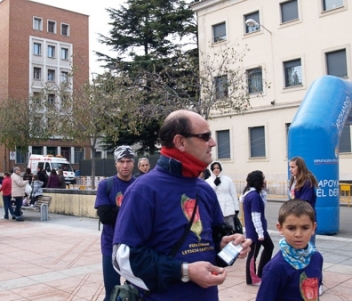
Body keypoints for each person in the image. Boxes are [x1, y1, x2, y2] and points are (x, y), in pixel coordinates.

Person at [112, 110, 251, 301]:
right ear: (180, 142)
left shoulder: (205, 189)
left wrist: (228, 247)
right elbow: (123, 258)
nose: (213, 142)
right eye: (205, 136)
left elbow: (212, 247)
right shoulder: (143, 190)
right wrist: (184, 271)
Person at [256, 200, 323, 301]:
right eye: (291, 228)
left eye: (305, 228)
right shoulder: (275, 268)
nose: (298, 234)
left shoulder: (317, 258)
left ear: (313, 228)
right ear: (280, 228)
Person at [94, 145, 136, 301]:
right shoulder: (106, 185)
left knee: (134, 292)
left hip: (134, 247)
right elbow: (105, 217)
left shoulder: (140, 185)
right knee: (111, 293)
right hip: (110, 246)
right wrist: (130, 211)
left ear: (133, 163)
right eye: (121, 161)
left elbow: (145, 216)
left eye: (128, 161)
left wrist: (115, 211)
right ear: (115, 164)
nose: (125, 165)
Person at [239, 170, 274, 286]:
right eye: (263, 179)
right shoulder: (253, 196)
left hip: (258, 230)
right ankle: (252, 278)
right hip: (256, 232)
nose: (264, 181)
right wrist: (260, 233)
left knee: (269, 247)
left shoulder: (252, 194)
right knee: (253, 254)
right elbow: (255, 216)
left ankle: (260, 274)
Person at [289, 156, 318, 244]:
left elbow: (304, 202)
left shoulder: (307, 181)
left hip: (306, 217)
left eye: (293, 167)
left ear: (300, 167)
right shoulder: (295, 180)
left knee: (308, 245)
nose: (290, 169)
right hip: (297, 216)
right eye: (290, 167)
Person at [206, 161, 239, 231]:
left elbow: (233, 194)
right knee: (219, 230)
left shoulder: (228, 180)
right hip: (216, 208)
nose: (216, 170)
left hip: (228, 208)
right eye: (214, 168)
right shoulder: (208, 181)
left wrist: (236, 208)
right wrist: (215, 184)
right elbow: (208, 193)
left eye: (218, 168)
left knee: (231, 229)